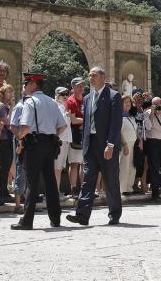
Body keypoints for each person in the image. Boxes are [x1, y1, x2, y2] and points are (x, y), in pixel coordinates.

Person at [67, 66, 122, 227]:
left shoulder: (113, 96)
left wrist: (110, 144)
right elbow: (86, 122)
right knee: (88, 180)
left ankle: (114, 214)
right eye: (89, 75)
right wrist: (84, 145)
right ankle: (82, 215)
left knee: (110, 180)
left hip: (106, 144)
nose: (90, 78)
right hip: (90, 144)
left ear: (102, 77)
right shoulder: (88, 98)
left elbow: (115, 123)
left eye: (94, 75)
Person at [13, 72, 67, 230]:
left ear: (33, 85)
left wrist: (19, 139)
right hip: (49, 145)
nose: (24, 87)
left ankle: (27, 221)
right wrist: (51, 136)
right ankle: (55, 218)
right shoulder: (52, 102)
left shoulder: (31, 102)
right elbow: (62, 125)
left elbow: (25, 127)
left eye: (26, 84)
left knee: (32, 182)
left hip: (34, 145)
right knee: (50, 182)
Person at [64, 77, 85, 199]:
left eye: (82, 85)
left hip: (85, 135)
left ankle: (84, 188)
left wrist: (84, 122)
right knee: (74, 163)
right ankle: (73, 188)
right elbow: (73, 120)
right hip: (75, 135)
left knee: (84, 163)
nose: (81, 88)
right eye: (78, 86)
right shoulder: (71, 101)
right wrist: (86, 121)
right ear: (73, 87)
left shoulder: (86, 100)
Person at [0, 85, 16, 204]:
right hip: (2, 139)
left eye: (11, 92)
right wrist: (12, 107)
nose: (11, 94)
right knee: (3, 166)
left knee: (7, 166)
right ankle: (2, 192)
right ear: (2, 93)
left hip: (8, 138)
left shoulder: (7, 106)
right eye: (8, 92)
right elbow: (7, 121)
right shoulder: (1, 106)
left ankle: (4, 191)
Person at [53, 87, 73, 191]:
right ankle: (55, 193)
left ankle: (57, 191)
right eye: (62, 94)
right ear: (57, 96)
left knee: (59, 168)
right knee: (56, 168)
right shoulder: (56, 107)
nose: (65, 96)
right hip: (59, 140)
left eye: (67, 94)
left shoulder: (63, 107)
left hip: (65, 140)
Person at [119, 95, 138, 195]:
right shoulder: (119, 116)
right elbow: (119, 132)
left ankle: (129, 187)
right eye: (125, 102)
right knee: (124, 166)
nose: (128, 104)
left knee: (131, 166)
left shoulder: (131, 116)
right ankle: (123, 188)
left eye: (129, 102)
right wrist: (125, 145)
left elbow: (135, 130)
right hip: (124, 145)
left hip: (133, 144)